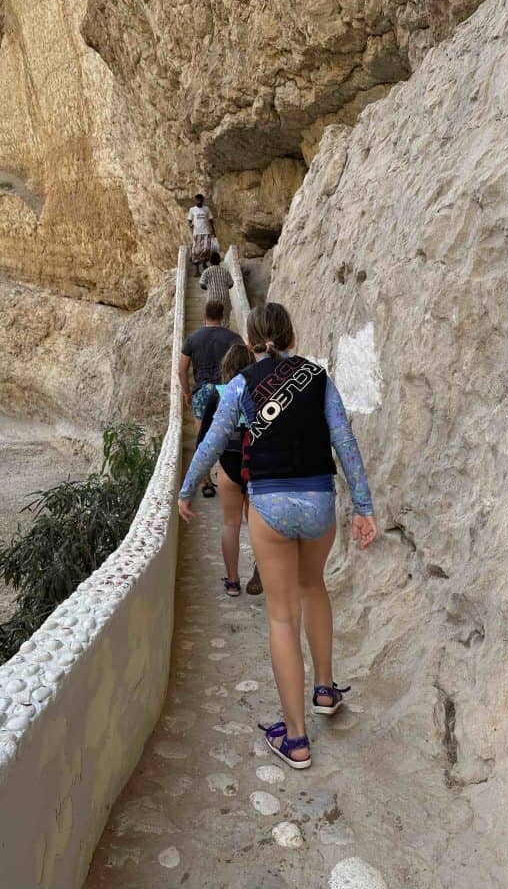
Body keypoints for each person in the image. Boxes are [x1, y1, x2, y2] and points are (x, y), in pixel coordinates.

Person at [178, 302, 378, 769]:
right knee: (314, 587)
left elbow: (211, 440)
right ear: (292, 337)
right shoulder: (318, 378)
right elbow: (344, 439)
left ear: (250, 343)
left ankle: (296, 738)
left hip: (269, 504)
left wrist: (188, 489)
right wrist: (364, 507)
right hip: (319, 502)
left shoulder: (241, 384)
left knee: (282, 618)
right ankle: (325, 690)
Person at [196, 343, 263, 597]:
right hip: (256, 463)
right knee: (256, 523)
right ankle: (261, 567)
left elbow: (204, 439)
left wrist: (201, 477)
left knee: (230, 524)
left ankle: (233, 582)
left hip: (229, 464)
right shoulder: (261, 391)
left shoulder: (220, 393)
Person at [179, 301, 243, 496]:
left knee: (203, 437)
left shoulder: (192, 339)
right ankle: (226, 478)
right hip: (225, 390)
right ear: (223, 317)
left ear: (204, 316)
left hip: (202, 391)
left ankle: (206, 483)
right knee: (229, 435)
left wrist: (188, 392)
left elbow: (182, 370)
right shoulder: (233, 338)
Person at [199, 251, 234, 327]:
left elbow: (201, 284)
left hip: (212, 299)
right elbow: (231, 284)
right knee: (225, 319)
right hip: (224, 299)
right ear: (220, 261)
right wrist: (224, 287)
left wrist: (208, 288)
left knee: (211, 318)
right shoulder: (225, 271)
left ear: (210, 261)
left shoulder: (207, 271)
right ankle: (224, 334)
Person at [187, 193, 215, 275]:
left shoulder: (206, 209)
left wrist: (214, 231)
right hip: (197, 233)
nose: (198, 201)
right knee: (196, 252)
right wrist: (190, 225)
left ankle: (204, 264)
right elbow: (189, 220)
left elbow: (210, 220)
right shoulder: (192, 210)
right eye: (197, 200)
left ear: (202, 201)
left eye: (200, 200)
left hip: (206, 232)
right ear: (195, 201)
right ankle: (197, 270)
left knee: (206, 249)